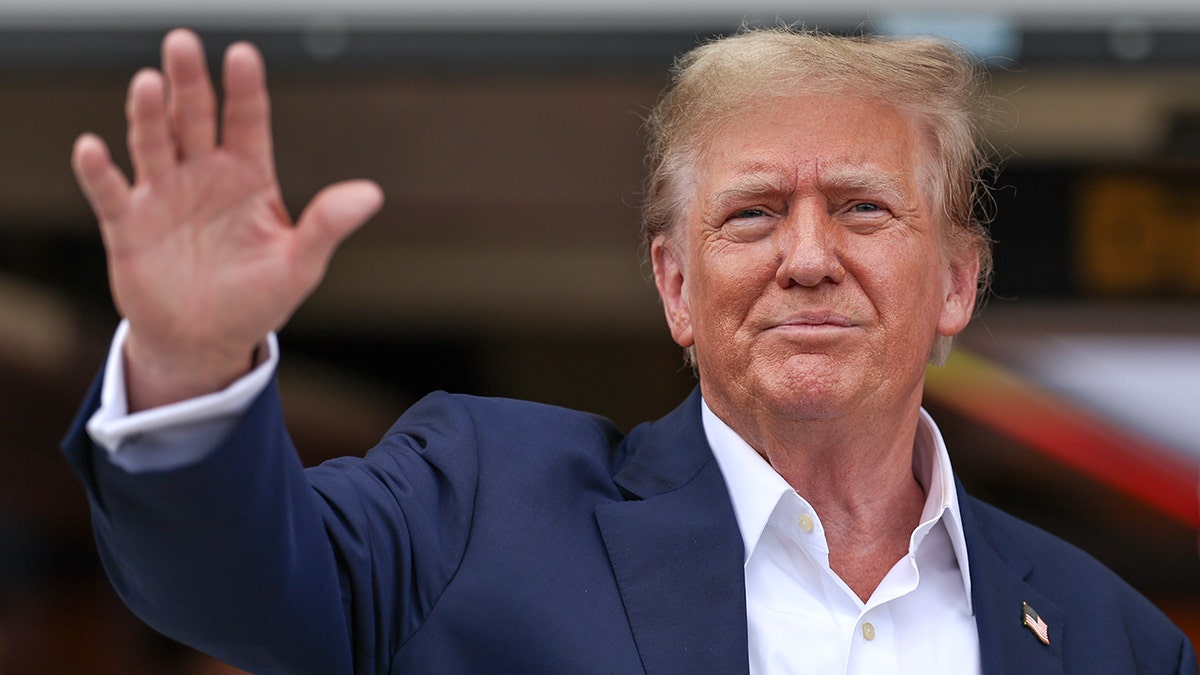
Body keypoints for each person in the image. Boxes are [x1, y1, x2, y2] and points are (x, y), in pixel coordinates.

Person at [62, 26, 1195, 675]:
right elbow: (231, 589)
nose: (806, 257)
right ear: (674, 286)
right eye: (751, 214)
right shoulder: (477, 505)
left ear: (956, 281)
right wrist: (188, 365)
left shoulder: (1114, 641)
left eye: (862, 210)